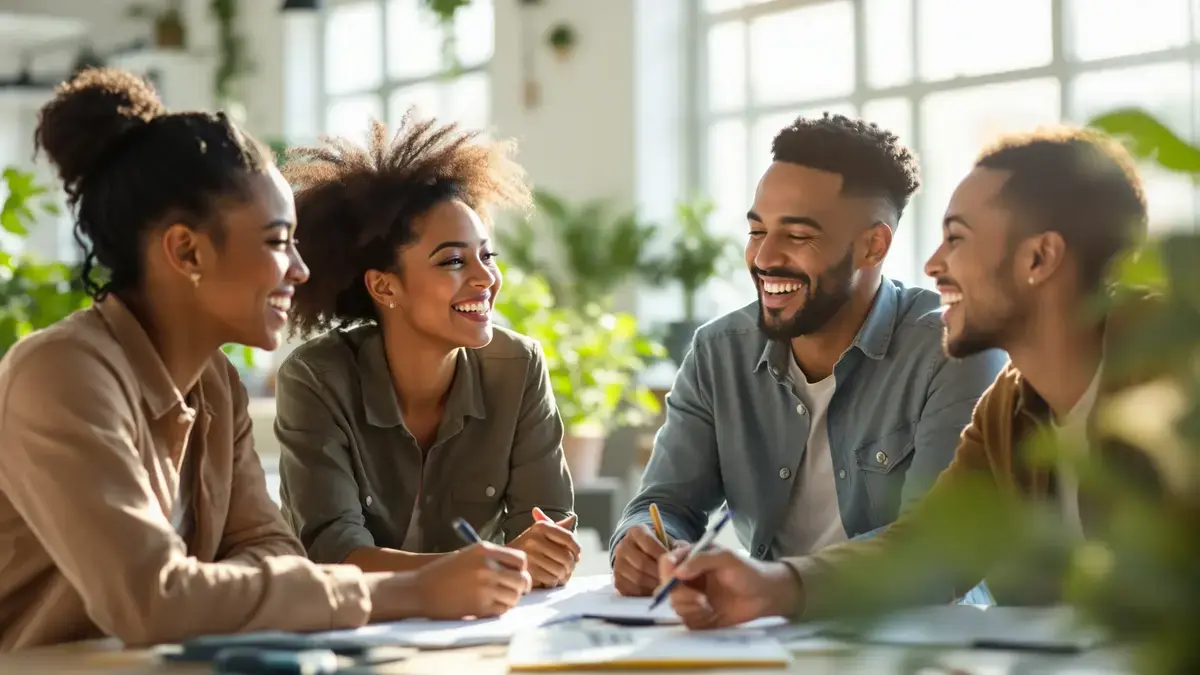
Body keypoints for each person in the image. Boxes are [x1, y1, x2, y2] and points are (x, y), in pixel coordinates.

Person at [0, 69, 531, 651]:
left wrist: (240, 586)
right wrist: (410, 591)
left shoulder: (214, 384)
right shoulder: (62, 375)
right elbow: (153, 599)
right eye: (278, 242)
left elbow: (272, 549)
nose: (300, 271)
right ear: (186, 250)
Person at [655, 127, 1153, 628]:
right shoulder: (1010, 406)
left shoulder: (1174, 382)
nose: (933, 265)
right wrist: (772, 586)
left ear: (1038, 259)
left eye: (957, 239)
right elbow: (931, 546)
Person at [610, 113, 1007, 598]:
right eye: (757, 232)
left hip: (916, 643)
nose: (763, 257)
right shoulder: (719, 352)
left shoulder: (952, 349)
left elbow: (937, 551)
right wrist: (646, 539)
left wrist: (779, 587)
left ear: (872, 246)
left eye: (797, 236)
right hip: (768, 632)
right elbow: (665, 501)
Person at [274, 113, 579, 591]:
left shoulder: (517, 368)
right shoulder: (316, 378)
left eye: (487, 255)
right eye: (454, 261)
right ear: (384, 286)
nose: (486, 278)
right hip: (349, 633)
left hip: (481, 628)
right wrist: (465, 570)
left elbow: (545, 527)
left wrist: (548, 553)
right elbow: (331, 550)